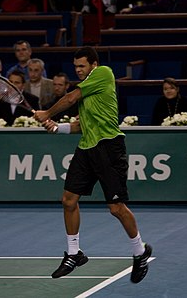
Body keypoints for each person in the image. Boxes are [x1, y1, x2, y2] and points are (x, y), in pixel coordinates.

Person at [34, 46, 152, 283]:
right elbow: (80, 126)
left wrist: (47, 113)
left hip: (109, 148)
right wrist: (58, 128)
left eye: (82, 66)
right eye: (75, 67)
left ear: (93, 65)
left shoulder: (103, 73)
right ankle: (74, 253)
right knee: (68, 200)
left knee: (116, 208)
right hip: (86, 149)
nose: (78, 70)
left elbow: (70, 98)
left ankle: (140, 252)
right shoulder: (88, 90)